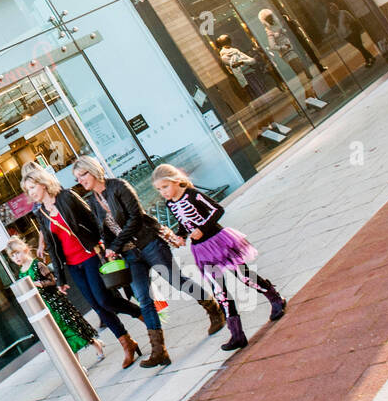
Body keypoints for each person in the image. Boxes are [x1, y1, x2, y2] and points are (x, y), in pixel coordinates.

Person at [72, 156, 226, 370]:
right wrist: (110, 249)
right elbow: (104, 230)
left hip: (149, 244)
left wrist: (115, 245)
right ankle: (159, 351)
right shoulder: (92, 201)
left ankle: (214, 309)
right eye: (77, 178)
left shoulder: (118, 186)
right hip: (129, 255)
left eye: (83, 174)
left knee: (177, 281)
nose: (80, 180)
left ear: (93, 171)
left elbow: (135, 218)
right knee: (144, 298)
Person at [20, 162, 144, 368]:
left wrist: (103, 244)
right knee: (97, 306)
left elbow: (93, 218)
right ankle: (127, 343)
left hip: (90, 256)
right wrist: (60, 278)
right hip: (73, 265)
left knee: (105, 300)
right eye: (27, 190)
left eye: (32, 187)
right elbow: (52, 245)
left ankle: (141, 314)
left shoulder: (66, 197)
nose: (30, 193)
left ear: (43, 184)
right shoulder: (40, 213)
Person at [152, 163, 287, 352]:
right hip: (201, 250)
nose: (163, 192)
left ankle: (276, 298)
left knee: (243, 276)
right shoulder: (170, 204)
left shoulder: (192, 194)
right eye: (159, 189)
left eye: (165, 186)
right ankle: (237, 334)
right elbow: (183, 223)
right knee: (219, 290)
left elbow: (217, 210)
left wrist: (202, 229)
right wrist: (181, 235)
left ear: (176, 181)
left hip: (218, 240)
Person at [5, 237, 105, 363]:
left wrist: (39, 283)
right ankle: (78, 365)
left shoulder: (37, 264)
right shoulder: (21, 273)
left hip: (56, 303)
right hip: (44, 307)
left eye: (17, 253)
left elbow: (52, 281)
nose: (16, 258)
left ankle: (95, 346)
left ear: (25, 249)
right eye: (13, 256)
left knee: (74, 328)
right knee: (63, 336)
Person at [259, 8, 322, 104]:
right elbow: (272, 46)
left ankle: (312, 99)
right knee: (302, 76)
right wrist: (283, 47)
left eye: (270, 16)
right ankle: (312, 100)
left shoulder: (277, 25)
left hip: (294, 51)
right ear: (265, 21)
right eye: (268, 18)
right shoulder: (269, 31)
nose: (270, 19)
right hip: (288, 54)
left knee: (307, 75)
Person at [323, 2, 375, 68]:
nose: (334, 9)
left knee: (359, 46)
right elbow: (326, 30)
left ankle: (368, 60)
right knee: (360, 47)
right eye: (332, 9)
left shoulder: (343, 12)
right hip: (346, 36)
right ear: (330, 11)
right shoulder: (331, 19)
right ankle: (371, 58)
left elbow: (353, 20)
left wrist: (352, 28)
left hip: (353, 32)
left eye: (335, 7)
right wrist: (328, 28)